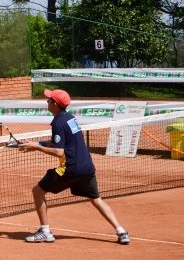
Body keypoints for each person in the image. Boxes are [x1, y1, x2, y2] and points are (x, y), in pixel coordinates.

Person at [18, 89, 130, 245]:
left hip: (71, 169)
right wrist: (38, 143)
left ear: (55, 104)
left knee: (37, 191)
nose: (47, 101)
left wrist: (36, 148)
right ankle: (121, 231)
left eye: (49, 99)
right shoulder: (70, 118)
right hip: (87, 167)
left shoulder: (57, 122)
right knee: (96, 200)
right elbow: (65, 142)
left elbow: (59, 151)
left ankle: (45, 232)